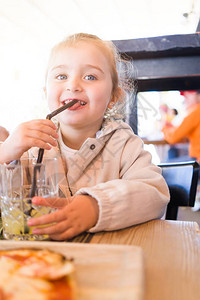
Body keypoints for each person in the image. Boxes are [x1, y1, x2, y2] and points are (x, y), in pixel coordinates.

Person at [0, 33, 169, 241]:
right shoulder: (29, 147)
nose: (73, 86)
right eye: (61, 76)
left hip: (108, 258)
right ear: (46, 93)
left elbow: (155, 193)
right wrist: (5, 152)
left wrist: (96, 207)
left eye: (90, 77)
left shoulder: (124, 144)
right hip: (39, 260)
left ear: (113, 97)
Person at [162, 90, 200, 162]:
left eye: (188, 95)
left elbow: (173, 138)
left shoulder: (196, 111)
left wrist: (164, 127)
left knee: (165, 163)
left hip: (198, 159)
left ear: (198, 95)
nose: (185, 98)